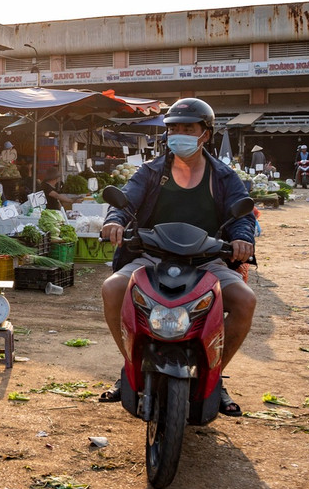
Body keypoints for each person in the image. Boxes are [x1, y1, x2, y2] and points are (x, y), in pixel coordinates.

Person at [98, 98, 256, 415]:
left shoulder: (223, 176)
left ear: (205, 134)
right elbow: (126, 200)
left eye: (188, 128)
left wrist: (242, 238)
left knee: (245, 301)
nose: (179, 134)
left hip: (206, 260)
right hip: (151, 256)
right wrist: (114, 221)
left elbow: (243, 214)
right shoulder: (151, 171)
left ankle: (213, 378)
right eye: (174, 128)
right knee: (112, 289)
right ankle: (129, 368)